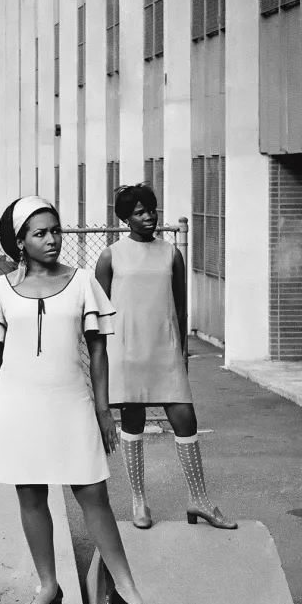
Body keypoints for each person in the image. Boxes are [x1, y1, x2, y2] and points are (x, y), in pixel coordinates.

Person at [0, 196, 163, 604]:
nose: (52, 239)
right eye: (40, 233)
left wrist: (103, 411)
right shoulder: (1, 289)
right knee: (30, 494)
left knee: (92, 494)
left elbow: (99, 350)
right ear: (20, 241)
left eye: (55, 230)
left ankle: (126, 586)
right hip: (17, 405)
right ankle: (48, 585)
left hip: (72, 401)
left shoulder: (82, 282)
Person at [95, 183, 236, 530]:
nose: (148, 217)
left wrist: (184, 350)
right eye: (140, 212)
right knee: (133, 421)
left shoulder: (171, 253)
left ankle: (199, 499)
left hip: (165, 349)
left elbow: (181, 307)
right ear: (125, 217)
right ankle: (139, 501)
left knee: (185, 418)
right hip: (126, 351)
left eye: (151, 210)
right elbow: (98, 311)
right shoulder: (111, 255)